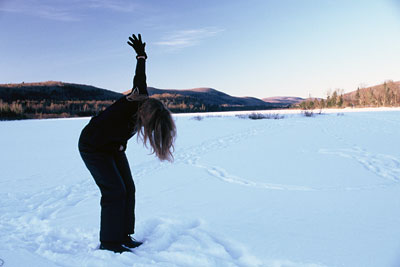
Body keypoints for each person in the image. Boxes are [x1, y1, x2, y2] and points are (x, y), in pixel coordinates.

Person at [78, 34, 176, 253]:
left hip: (111, 145)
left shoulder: (143, 96)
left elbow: (140, 76)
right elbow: (105, 132)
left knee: (128, 188)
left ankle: (123, 235)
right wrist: (119, 144)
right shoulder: (133, 104)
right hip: (92, 146)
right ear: (147, 116)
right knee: (114, 190)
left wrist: (141, 56)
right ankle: (109, 243)